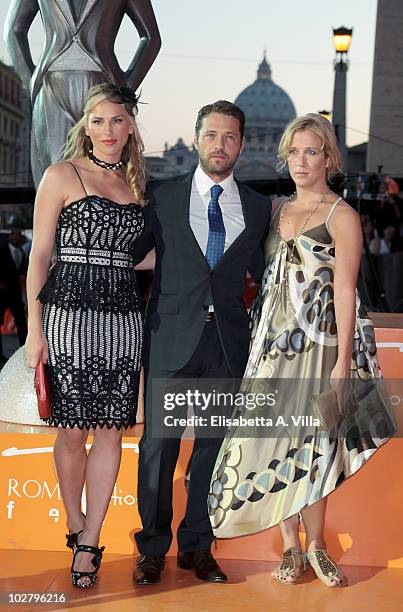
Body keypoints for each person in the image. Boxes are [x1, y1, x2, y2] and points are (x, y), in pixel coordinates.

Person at [209, 114, 395, 587]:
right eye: (293, 152)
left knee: (317, 446)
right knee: (274, 442)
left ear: (329, 157)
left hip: (319, 347)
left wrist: (341, 364)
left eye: (311, 151)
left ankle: (316, 546)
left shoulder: (342, 216)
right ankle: (290, 547)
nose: (301, 161)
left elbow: (348, 293)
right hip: (270, 345)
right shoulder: (275, 210)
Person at [133, 100, 272, 584]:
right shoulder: (163, 197)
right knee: (159, 450)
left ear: (241, 144)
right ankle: (152, 548)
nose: (220, 145)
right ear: (197, 139)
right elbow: (130, 259)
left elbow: (270, 273)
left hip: (225, 345)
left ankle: (198, 546)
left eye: (230, 137)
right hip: (171, 339)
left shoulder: (257, 207)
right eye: (212, 135)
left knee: (211, 452)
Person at [25, 82, 149, 588]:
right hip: (68, 316)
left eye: (117, 120)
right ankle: (74, 521)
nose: (107, 130)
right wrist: (34, 330)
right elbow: (38, 256)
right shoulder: (61, 175)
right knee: (72, 432)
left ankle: (91, 539)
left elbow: (143, 255)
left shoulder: (139, 186)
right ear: (85, 126)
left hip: (122, 321)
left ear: (131, 126)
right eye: (97, 120)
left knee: (111, 434)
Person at [5, 0, 161, 186]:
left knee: (104, 173)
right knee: (54, 173)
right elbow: (14, 31)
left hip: (101, 86)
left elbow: (151, 38)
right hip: (52, 88)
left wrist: (124, 91)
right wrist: (32, 83)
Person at [0, 229, 28, 364]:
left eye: (18, 235)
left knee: (21, 323)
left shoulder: (22, 252)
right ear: (10, 237)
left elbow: (23, 273)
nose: (15, 237)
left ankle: (23, 351)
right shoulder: (2, 251)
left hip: (16, 294)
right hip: (2, 295)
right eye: (13, 234)